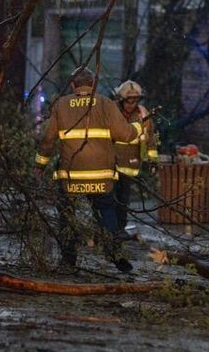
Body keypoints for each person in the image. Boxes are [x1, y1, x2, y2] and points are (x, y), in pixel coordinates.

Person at [34, 66, 142, 273]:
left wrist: (39, 165)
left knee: (67, 215)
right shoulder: (106, 104)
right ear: (93, 85)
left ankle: (68, 260)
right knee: (106, 211)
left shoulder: (61, 106)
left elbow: (47, 141)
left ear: (73, 84)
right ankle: (115, 255)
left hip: (70, 178)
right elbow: (126, 135)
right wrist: (139, 125)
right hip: (101, 178)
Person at [112, 79, 158, 240]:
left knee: (123, 199)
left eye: (135, 101)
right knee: (108, 198)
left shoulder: (143, 115)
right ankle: (107, 229)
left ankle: (120, 228)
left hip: (130, 165)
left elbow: (150, 140)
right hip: (110, 164)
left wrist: (153, 161)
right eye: (129, 101)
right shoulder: (111, 112)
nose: (132, 104)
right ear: (121, 100)